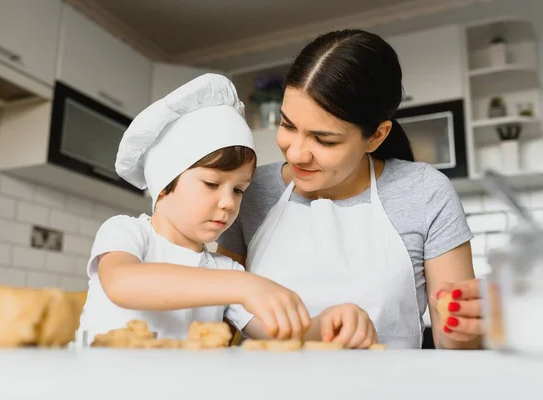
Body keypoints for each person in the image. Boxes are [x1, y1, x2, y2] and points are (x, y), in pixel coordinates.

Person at [217, 29, 483, 349]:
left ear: (376, 137)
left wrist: (467, 325)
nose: (297, 153)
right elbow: (219, 319)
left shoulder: (425, 193)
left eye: (324, 139)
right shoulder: (249, 188)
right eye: (288, 125)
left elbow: (455, 347)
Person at [78, 74, 311, 343]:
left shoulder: (225, 271)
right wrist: (242, 286)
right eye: (212, 184)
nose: (229, 203)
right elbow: (122, 283)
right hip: (105, 383)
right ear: (165, 183)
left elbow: (276, 331)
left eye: (238, 190)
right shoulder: (127, 232)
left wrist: (327, 325)